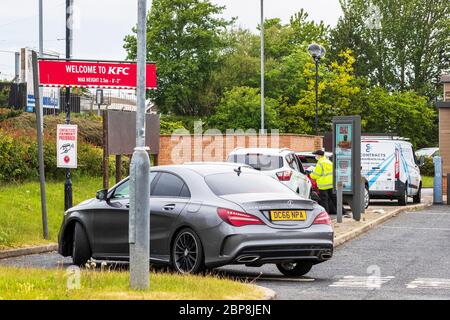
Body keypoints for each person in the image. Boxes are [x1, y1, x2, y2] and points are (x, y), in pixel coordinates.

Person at [310, 150, 337, 215]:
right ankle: (342, 212)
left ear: (319, 155)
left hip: (323, 185)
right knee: (334, 199)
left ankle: (325, 214)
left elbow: (316, 175)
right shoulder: (329, 162)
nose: (315, 156)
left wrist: (310, 173)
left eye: (316, 155)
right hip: (331, 184)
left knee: (324, 201)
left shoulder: (320, 163)